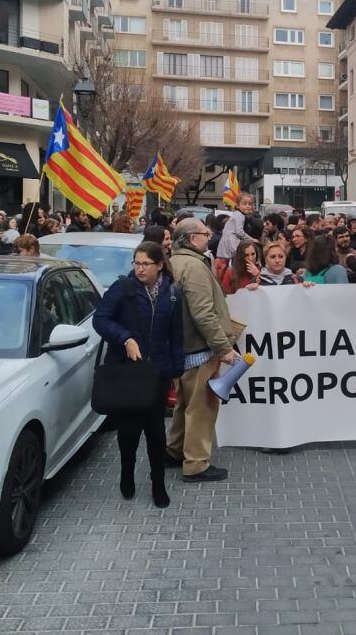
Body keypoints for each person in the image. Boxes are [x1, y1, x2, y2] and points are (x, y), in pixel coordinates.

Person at [93, 241, 184, 508]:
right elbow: (101, 319)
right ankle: (127, 473)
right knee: (129, 432)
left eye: (146, 264)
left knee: (157, 433)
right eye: (137, 263)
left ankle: (158, 485)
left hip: (158, 372)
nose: (140, 268)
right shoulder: (123, 289)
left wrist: (177, 369)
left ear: (159, 265)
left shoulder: (172, 292)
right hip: (128, 372)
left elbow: (176, 334)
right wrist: (125, 338)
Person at [167, 218, 240, 481]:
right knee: (201, 407)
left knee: (184, 404)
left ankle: (175, 451)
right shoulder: (194, 267)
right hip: (199, 349)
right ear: (190, 238)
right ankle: (196, 464)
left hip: (184, 347)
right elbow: (203, 313)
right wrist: (223, 348)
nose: (209, 236)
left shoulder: (175, 261)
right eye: (204, 233)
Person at [214, 192, 258, 281]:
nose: (248, 206)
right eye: (244, 204)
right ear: (238, 205)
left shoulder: (236, 215)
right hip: (232, 243)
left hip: (226, 245)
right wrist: (252, 239)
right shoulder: (240, 216)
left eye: (250, 204)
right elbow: (239, 232)